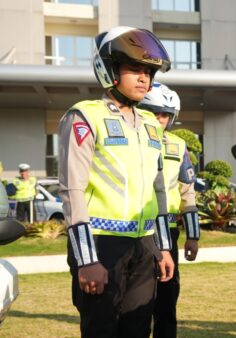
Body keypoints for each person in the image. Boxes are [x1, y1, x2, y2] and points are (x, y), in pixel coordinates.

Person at [58, 26, 175, 338]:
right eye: (134, 69)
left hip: (144, 245)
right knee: (101, 330)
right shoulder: (84, 116)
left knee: (138, 329)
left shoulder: (151, 124)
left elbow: (158, 189)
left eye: (149, 72)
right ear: (109, 69)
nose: (144, 79)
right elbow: (72, 190)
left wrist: (163, 247)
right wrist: (86, 259)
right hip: (100, 245)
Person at [138, 82, 200, 338]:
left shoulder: (178, 145)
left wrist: (193, 236)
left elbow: (188, 192)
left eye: (166, 114)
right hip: (138, 231)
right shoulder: (130, 142)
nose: (160, 119)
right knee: (137, 302)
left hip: (169, 232)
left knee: (167, 300)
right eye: (154, 112)